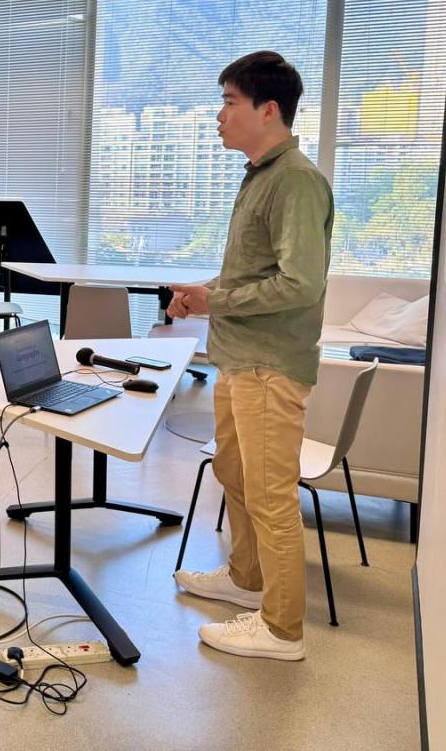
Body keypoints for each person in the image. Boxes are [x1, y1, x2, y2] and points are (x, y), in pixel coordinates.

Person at [169, 51, 333, 662]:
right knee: (234, 475)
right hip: (239, 359)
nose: (219, 115)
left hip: (269, 367)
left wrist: (217, 300)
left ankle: (283, 630)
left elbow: (300, 284)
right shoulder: (261, 175)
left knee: (270, 496)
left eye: (229, 102)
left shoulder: (295, 180)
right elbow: (252, 272)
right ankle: (246, 578)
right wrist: (204, 294)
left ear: (268, 110)